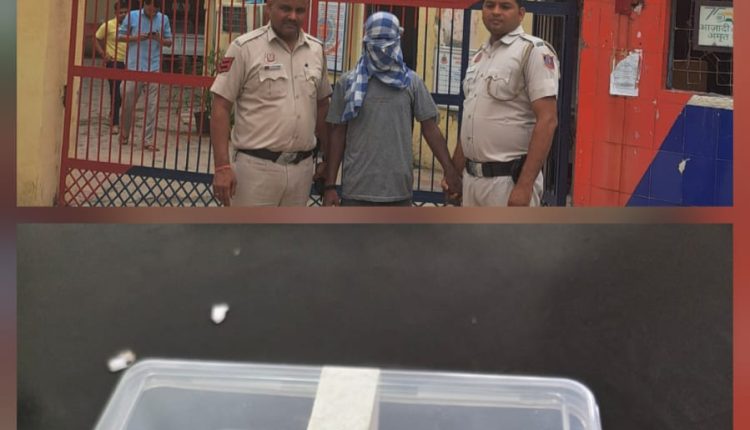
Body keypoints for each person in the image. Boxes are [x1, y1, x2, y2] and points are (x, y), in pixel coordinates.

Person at [323, 12, 461, 207]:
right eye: (377, 42)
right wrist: (330, 186)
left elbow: (430, 128)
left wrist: (450, 170)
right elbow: (338, 133)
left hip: (398, 191)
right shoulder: (349, 83)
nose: (383, 49)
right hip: (356, 190)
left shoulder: (411, 83)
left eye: (387, 43)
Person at [209, 0, 332, 207]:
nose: (293, 16)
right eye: (285, 8)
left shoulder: (316, 50)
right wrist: (222, 167)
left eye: (300, 11)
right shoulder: (244, 48)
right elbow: (220, 106)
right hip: (255, 171)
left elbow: (322, 106)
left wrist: (327, 159)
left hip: (301, 172)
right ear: (269, 7)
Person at [445, 0, 559, 206]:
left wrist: (524, 186)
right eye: (490, 5)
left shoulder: (533, 51)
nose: (496, 12)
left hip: (508, 183)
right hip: (471, 181)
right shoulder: (479, 56)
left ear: (521, 14)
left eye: (505, 6)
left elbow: (548, 120)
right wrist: (455, 172)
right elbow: (472, 120)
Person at [117, 0, 172, 150]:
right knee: (127, 102)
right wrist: (135, 38)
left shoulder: (164, 19)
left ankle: (148, 140)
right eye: (150, 9)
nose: (152, 12)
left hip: (154, 67)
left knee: (152, 106)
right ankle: (124, 133)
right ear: (145, 5)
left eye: (155, 10)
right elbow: (120, 36)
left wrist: (159, 39)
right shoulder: (132, 16)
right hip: (134, 66)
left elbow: (169, 42)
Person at [94, 0, 129, 135]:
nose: (123, 15)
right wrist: (103, 54)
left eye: (125, 12)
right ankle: (115, 123)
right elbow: (96, 38)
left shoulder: (131, 25)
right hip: (114, 62)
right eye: (121, 12)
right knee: (115, 92)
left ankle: (113, 113)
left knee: (125, 93)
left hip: (129, 62)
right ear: (115, 13)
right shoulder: (108, 25)